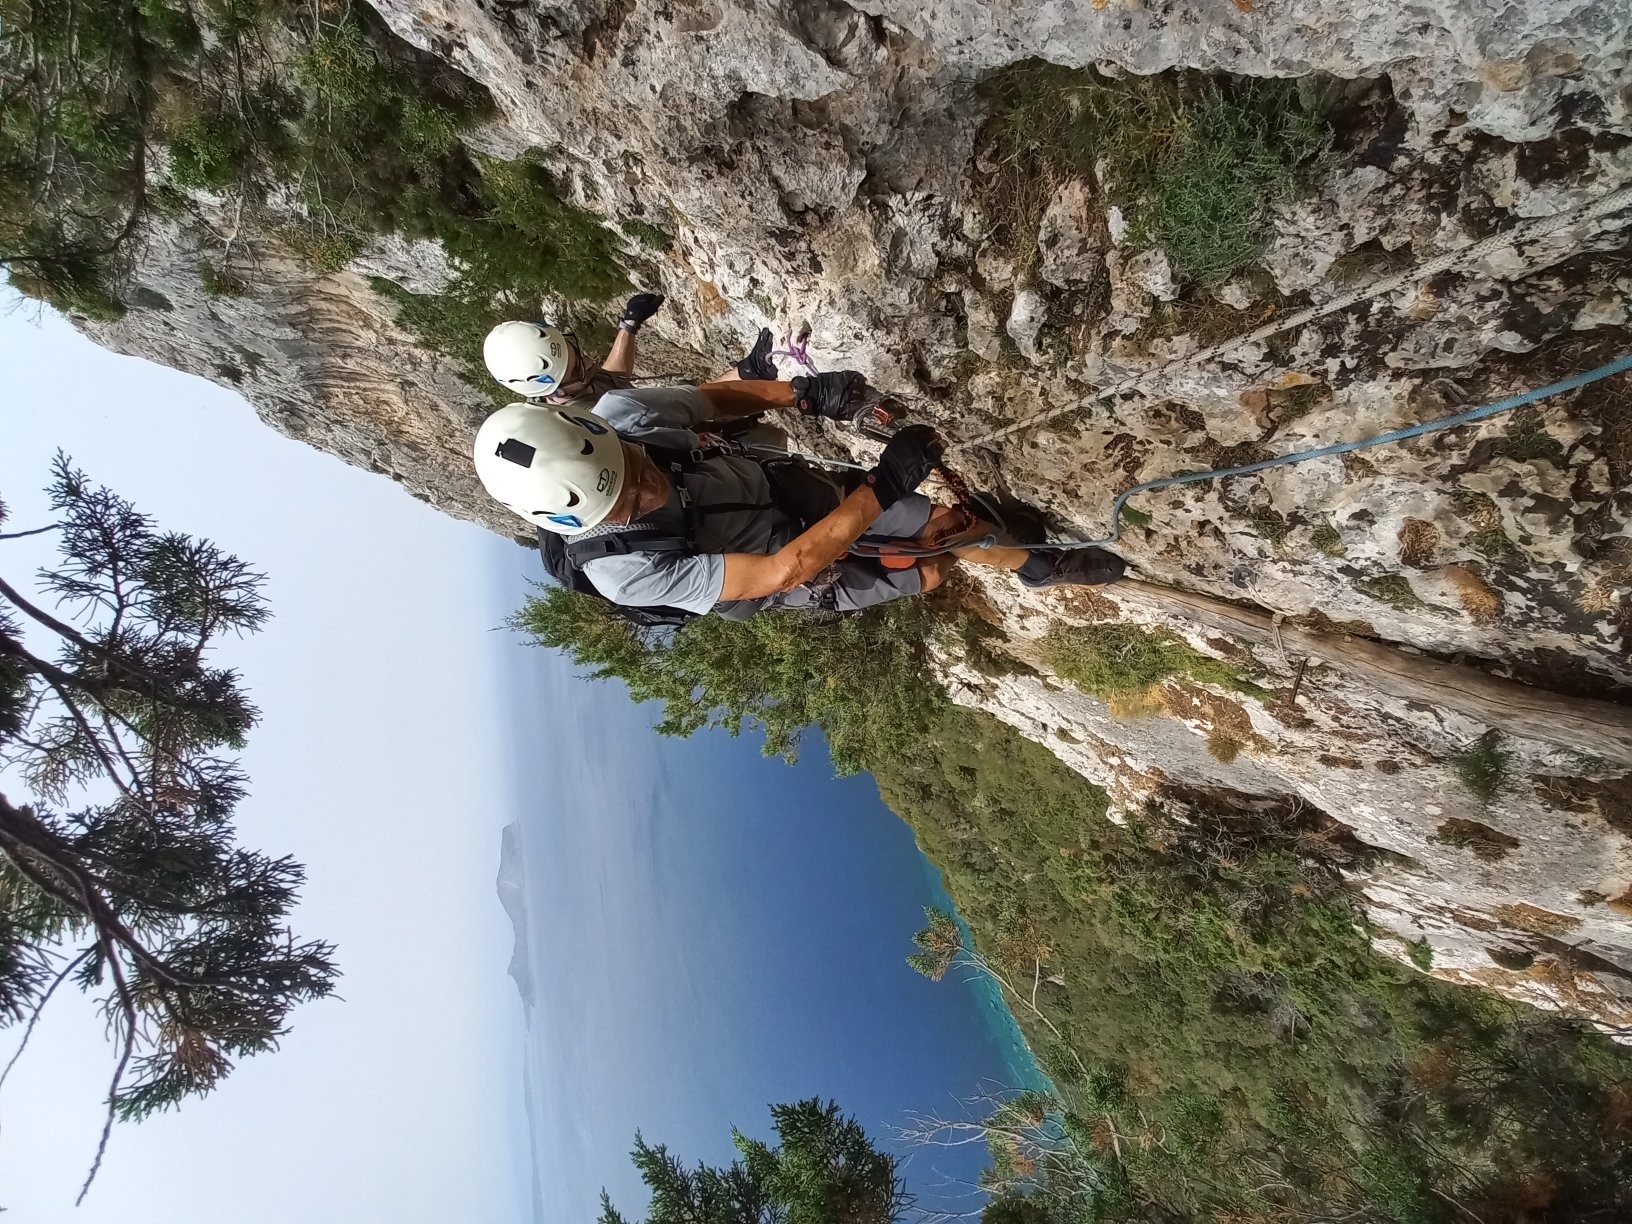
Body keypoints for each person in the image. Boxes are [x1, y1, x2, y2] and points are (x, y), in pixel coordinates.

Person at [472, 372, 1125, 619]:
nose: (648, 484)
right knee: (926, 575)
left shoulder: (624, 414)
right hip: (783, 572)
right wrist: (886, 481)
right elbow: (789, 569)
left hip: (785, 492)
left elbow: (714, 398)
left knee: (945, 526)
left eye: (632, 464)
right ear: (578, 519)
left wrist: (807, 395)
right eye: (624, 500)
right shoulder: (623, 570)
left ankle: (1040, 566)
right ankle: (949, 550)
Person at [481, 293, 777, 405]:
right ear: (555, 392)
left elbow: (614, 378)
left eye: (575, 351)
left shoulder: (574, 384)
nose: (586, 360)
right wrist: (746, 374)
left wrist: (629, 324)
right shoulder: (590, 420)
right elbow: (688, 408)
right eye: (576, 367)